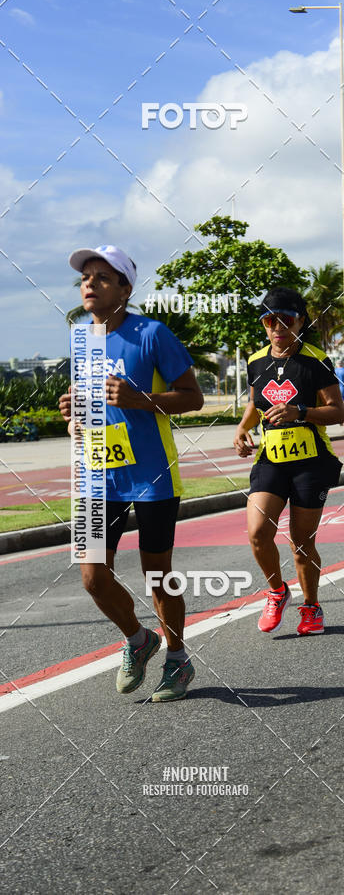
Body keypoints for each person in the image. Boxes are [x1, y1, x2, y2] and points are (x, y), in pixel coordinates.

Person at [59, 245, 204, 701]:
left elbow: (193, 397)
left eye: (102, 277)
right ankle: (139, 639)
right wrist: (73, 415)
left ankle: (177, 659)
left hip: (151, 475)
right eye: (86, 277)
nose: (90, 283)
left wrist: (141, 399)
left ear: (124, 289)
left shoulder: (152, 334)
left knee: (156, 575)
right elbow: (86, 402)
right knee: (92, 575)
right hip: (97, 473)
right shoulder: (82, 338)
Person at [233, 287, 344, 635]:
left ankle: (311, 608)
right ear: (264, 325)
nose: (278, 327)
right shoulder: (256, 361)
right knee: (257, 533)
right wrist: (242, 429)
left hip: (311, 462)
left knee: (301, 543)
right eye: (270, 320)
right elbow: (256, 403)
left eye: (286, 320)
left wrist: (301, 412)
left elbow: (337, 412)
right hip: (271, 459)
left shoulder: (316, 360)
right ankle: (277, 591)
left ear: (300, 322)